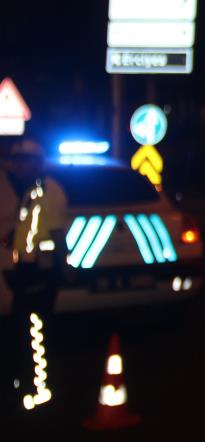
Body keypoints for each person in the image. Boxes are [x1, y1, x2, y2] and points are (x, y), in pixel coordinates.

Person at [2, 139, 68, 413]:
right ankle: (24, 385)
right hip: (26, 270)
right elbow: (28, 229)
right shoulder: (32, 191)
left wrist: (55, 269)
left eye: (24, 161)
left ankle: (40, 391)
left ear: (37, 163)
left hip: (40, 271)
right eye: (15, 160)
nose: (17, 166)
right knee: (23, 329)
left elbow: (54, 235)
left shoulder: (49, 192)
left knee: (36, 330)